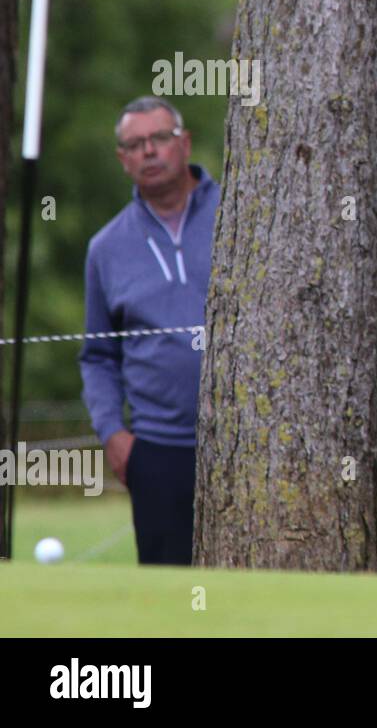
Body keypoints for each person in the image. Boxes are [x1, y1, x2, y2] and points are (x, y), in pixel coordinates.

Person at [79, 97, 218, 565]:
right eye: (135, 145)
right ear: (123, 160)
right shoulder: (107, 247)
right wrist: (112, 434)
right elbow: (97, 356)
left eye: (159, 138)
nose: (149, 152)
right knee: (171, 595)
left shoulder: (240, 216)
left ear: (185, 143)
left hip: (248, 439)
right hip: (158, 450)